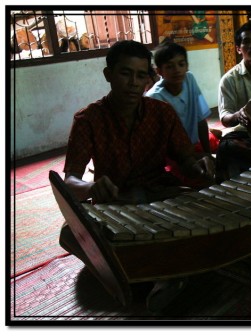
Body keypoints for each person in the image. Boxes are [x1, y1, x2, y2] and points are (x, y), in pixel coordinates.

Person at [59, 40, 215, 313]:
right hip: (116, 203)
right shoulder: (88, 119)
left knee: (207, 212)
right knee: (68, 232)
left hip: (159, 195)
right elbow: (70, 180)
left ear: (148, 78)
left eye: (141, 75)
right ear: (109, 75)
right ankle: (166, 272)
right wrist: (90, 187)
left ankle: (139, 272)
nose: (133, 83)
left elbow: (185, 159)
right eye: (125, 73)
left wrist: (200, 165)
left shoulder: (162, 113)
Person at [145, 41, 217, 155]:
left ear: (187, 66)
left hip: (193, 146)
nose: (177, 70)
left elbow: (201, 120)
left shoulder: (190, 80)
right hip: (172, 155)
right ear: (159, 71)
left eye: (181, 64)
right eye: (169, 66)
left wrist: (208, 153)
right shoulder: (154, 97)